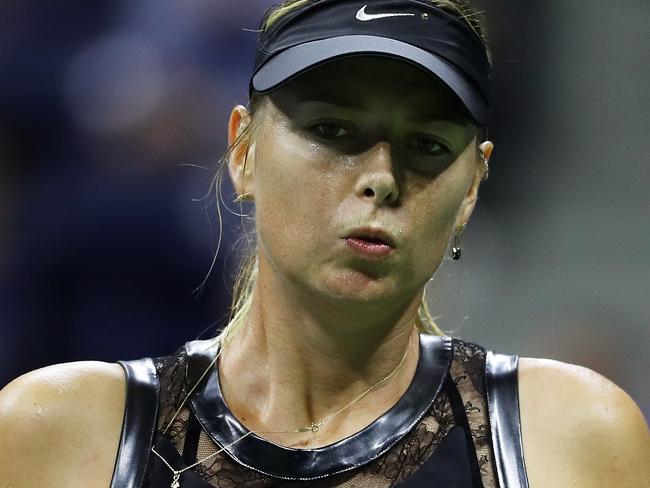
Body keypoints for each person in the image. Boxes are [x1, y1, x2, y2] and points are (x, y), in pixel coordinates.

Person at [1, 1, 648, 487]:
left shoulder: (567, 438)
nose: (380, 179)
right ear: (243, 152)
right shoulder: (58, 432)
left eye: (427, 145)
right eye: (333, 129)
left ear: (472, 188)